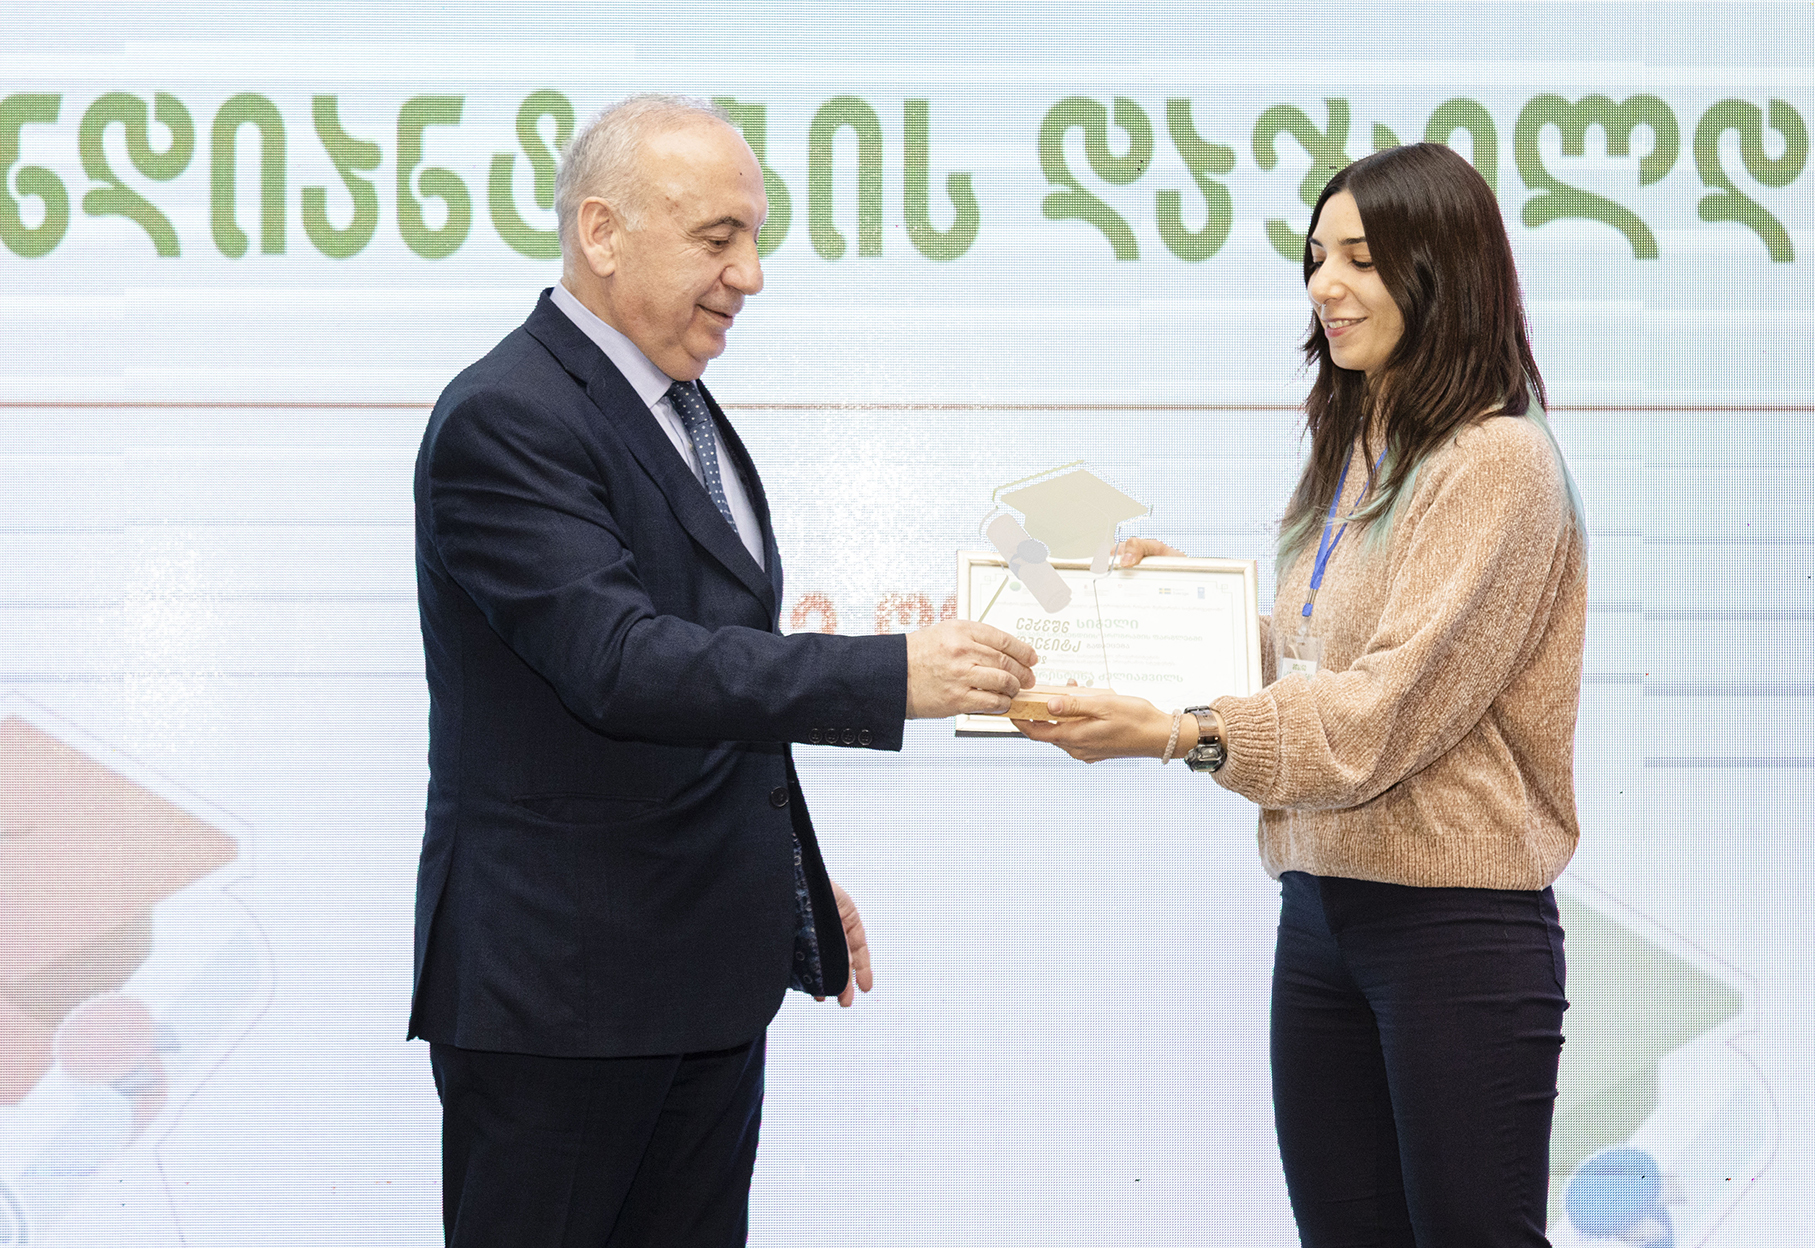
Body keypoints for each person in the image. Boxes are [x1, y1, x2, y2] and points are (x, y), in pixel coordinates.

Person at [409, 94, 1037, 1247]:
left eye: (753, 238)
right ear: (602, 233)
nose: (750, 274)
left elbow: (712, 672)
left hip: (700, 984)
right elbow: (620, 664)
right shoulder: (507, 417)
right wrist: (891, 674)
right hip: (564, 1004)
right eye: (719, 238)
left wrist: (784, 878)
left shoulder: (679, 407)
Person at [1018, 141, 1587, 1246]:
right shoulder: (1359, 447)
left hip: (1454, 931)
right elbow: (1329, 653)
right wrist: (1201, 618)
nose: (1326, 285)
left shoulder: (1499, 462)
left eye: (1362, 260)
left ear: (1444, 272)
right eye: (1317, 257)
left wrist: (1182, 731)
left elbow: (1387, 709)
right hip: (1321, 909)